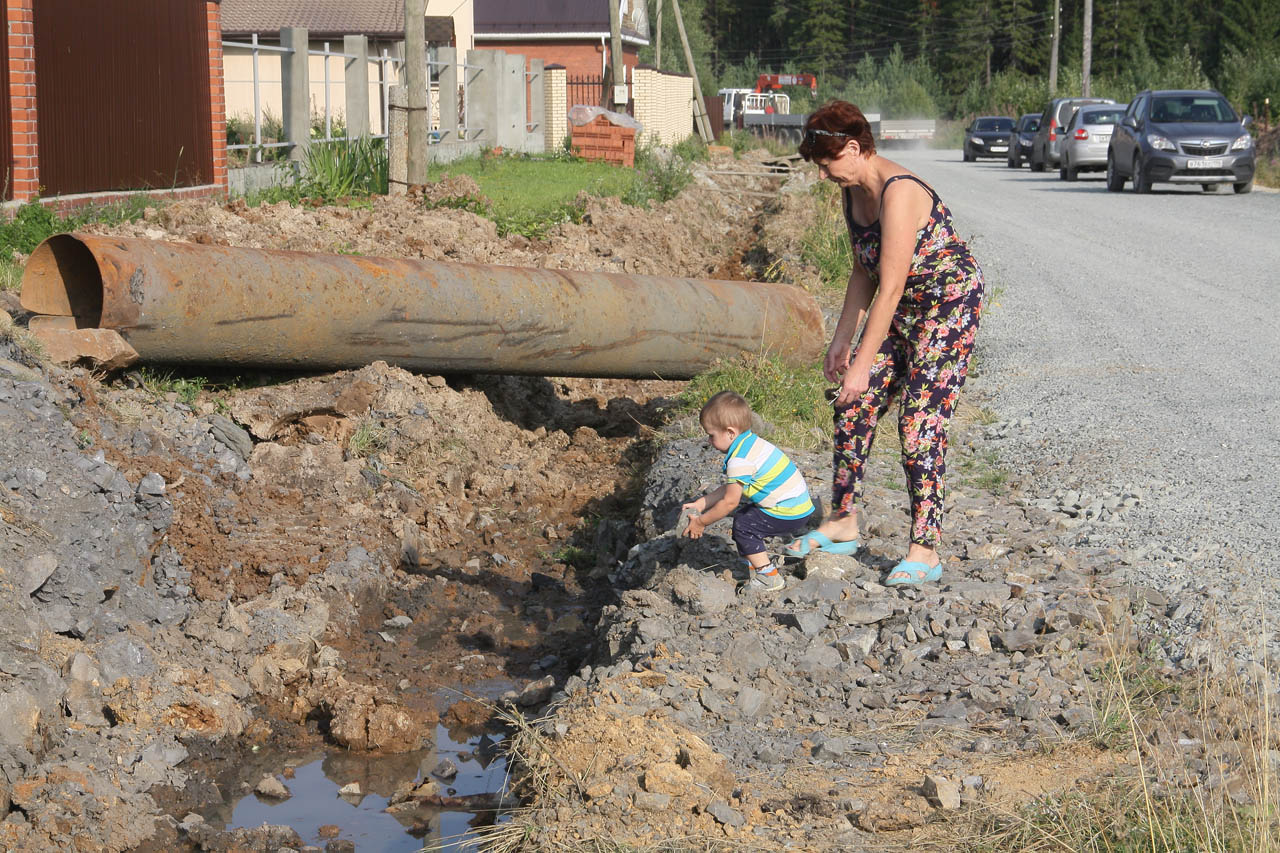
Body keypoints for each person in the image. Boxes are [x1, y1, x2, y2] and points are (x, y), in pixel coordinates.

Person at [785, 100, 984, 587]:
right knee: (853, 404)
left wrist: (863, 360)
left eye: (828, 163)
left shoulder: (901, 193)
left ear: (854, 148)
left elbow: (890, 286)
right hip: (902, 311)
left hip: (946, 309)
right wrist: (841, 342)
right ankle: (843, 520)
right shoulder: (852, 192)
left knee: (919, 425)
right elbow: (862, 269)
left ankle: (925, 548)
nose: (824, 174)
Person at [681, 391, 816, 592]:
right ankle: (755, 560)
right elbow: (731, 488)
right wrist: (702, 503)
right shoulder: (751, 443)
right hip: (798, 504)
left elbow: (729, 502)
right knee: (746, 516)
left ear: (730, 432)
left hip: (789, 512)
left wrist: (701, 522)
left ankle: (768, 577)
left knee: (744, 526)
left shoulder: (740, 460)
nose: (709, 441)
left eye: (711, 435)